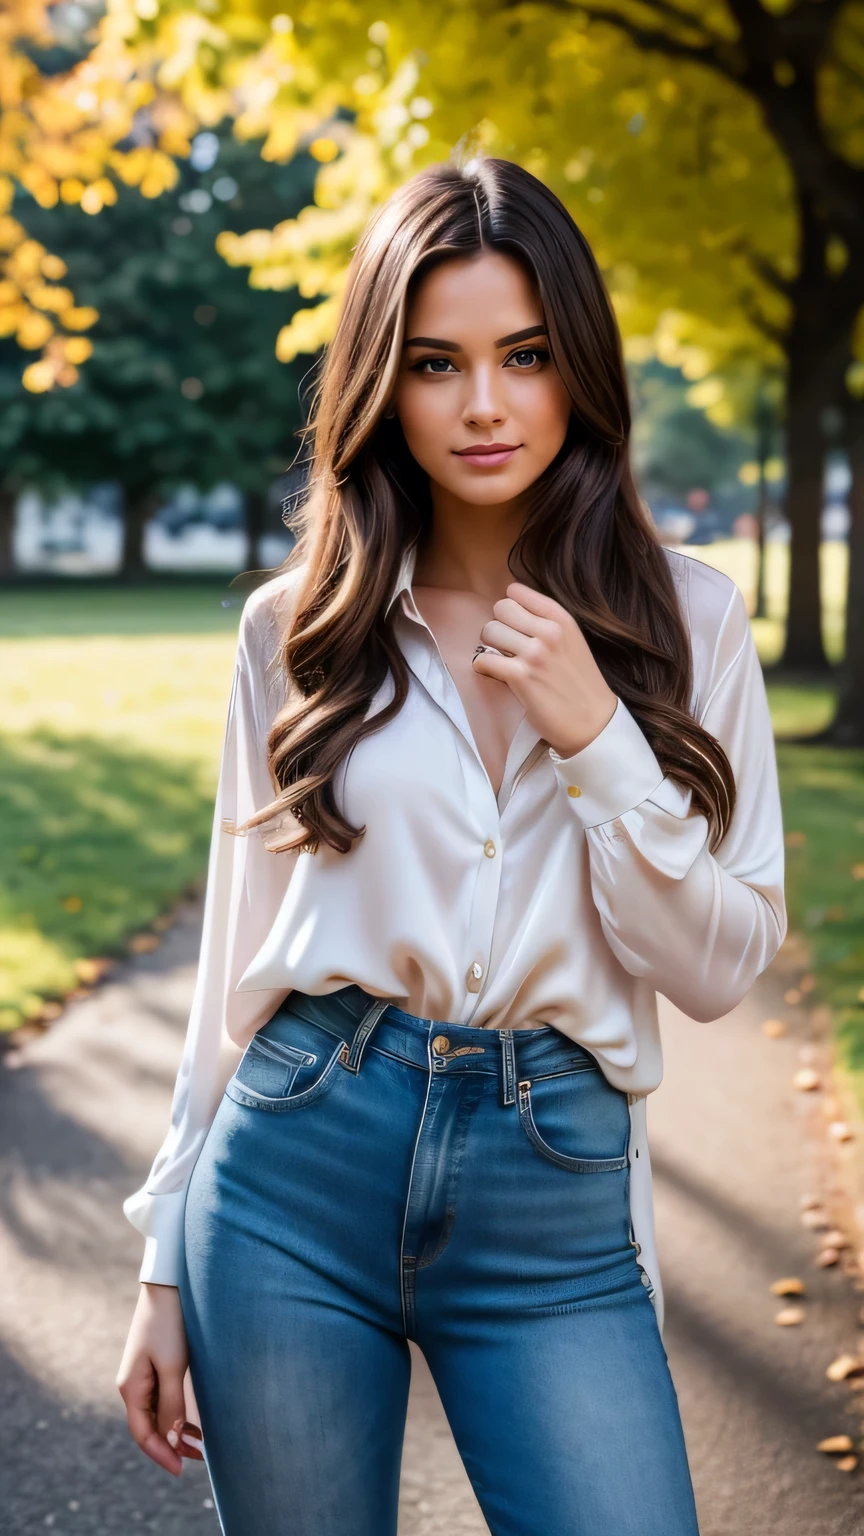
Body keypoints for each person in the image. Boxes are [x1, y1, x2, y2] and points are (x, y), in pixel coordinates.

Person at [117, 154, 786, 1535]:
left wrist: (600, 735)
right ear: (383, 382)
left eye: (524, 355)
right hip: (294, 1166)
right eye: (435, 363)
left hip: (552, 1196)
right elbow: (238, 959)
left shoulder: (693, 625)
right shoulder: (293, 627)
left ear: (578, 366)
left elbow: (720, 965)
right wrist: (162, 1259)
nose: (484, 405)